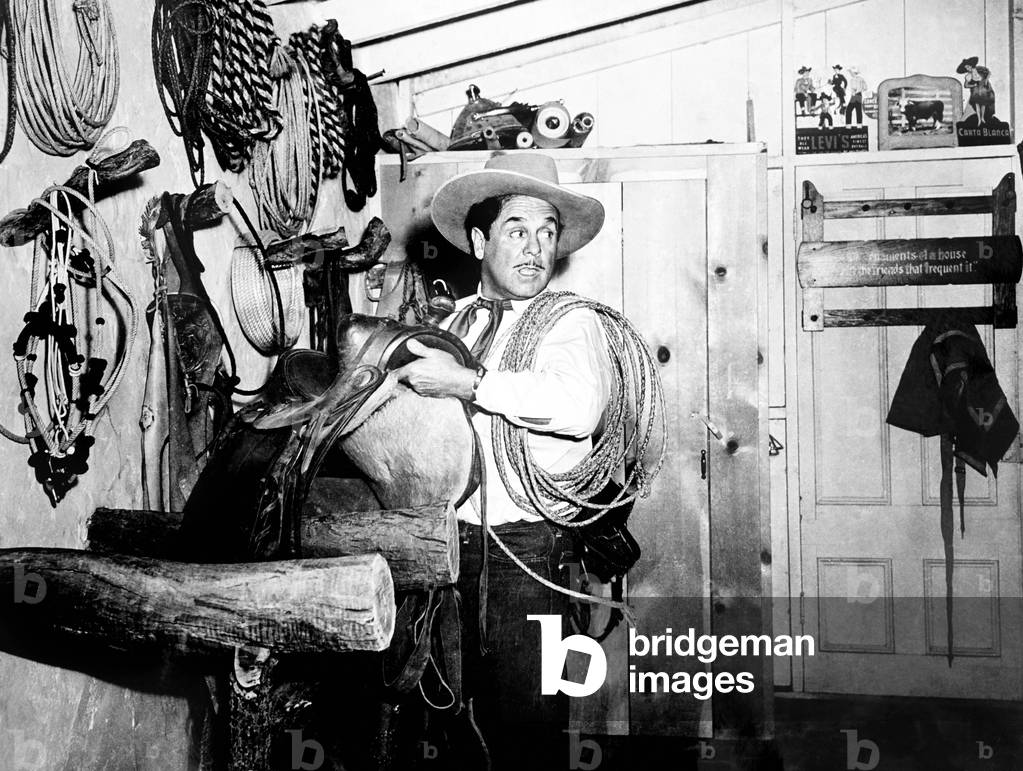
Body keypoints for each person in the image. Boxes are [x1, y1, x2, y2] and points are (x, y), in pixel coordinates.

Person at [394, 152, 613, 769]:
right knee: (446, 726)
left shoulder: (569, 324)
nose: (536, 247)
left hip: (531, 555)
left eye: (547, 232)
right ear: (477, 238)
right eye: (518, 230)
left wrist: (468, 383)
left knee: (527, 733)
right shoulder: (454, 323)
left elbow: (577, 408)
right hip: (447, 551)